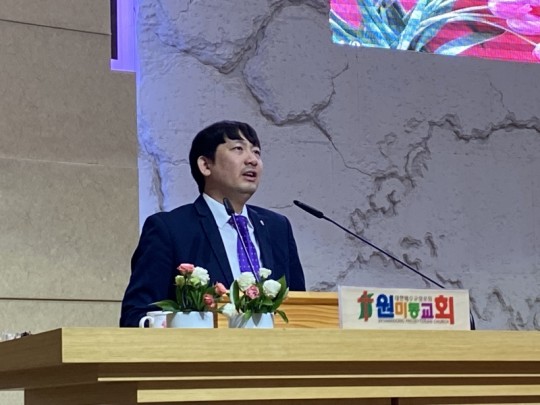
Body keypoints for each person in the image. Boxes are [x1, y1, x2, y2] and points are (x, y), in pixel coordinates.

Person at [120, 120, 306, 326]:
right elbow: (136, 314)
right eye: (238, 149)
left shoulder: (277, 227)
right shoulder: (171, 229)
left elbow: (301, 309)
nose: (252, 160)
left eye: (256, 152)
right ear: (205, 165)